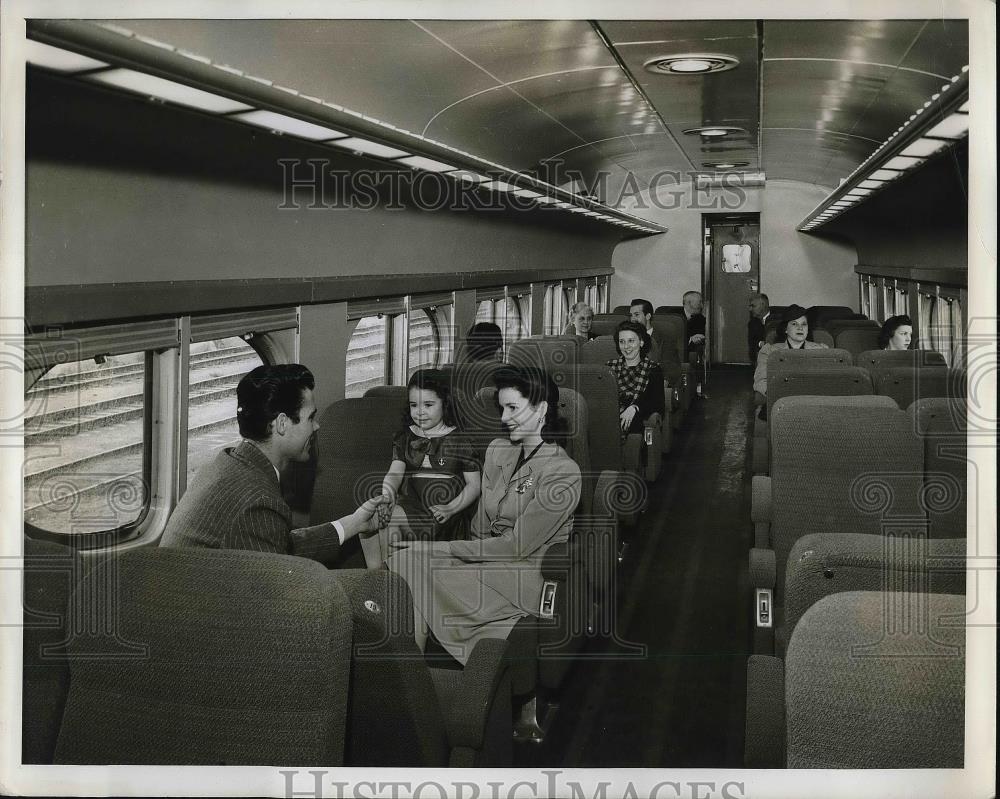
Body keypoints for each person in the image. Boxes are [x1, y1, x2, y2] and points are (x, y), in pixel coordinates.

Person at [386, 366, 581, 664]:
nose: (503, 418)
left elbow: (516, 547)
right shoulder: (498, 450)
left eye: (512, 408)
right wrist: (450, 552)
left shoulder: (563, 472)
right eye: (502, 408)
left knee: (416, 568)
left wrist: (440, 549)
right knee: (405, 560)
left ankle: (427, 668)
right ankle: (416, 673)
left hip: (523, 572)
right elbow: (479, 527)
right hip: (485, 556)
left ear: (541, 409)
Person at [160, 364, 386, 564]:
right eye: (310, 418)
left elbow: (280, 546)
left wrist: (353, 524)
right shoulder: (259, 500)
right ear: (281, 424)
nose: (316, 427)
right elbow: (277, 588)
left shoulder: (225, 463)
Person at [359, 369, 482, 568]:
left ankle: (389, 574)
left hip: (446, 514)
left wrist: (451, 508)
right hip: (412, 507)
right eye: (414, 405)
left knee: (391, 521)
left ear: (445, 403)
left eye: (428, 405)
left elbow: (474, 486)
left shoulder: (461, 440)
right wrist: (387, 495)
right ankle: (380, 574)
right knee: (381, 516)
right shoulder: (405, 437)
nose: (420, 411)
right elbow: (394, 473)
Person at [753, 304, 828, 402]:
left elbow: (826, 382)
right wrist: (779, 395)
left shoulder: (821, 351)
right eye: (794, 324)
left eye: (804, 324)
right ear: (785, 329)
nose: (800, 328)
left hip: (811, 401)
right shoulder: (769, 352)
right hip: (780, 400)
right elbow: (760, 381)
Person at [606, 321, 665, 434]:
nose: (626, 346)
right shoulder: (609, 368)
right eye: (622, 342)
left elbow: (658, 405)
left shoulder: (653, 369)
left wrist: (635, 408)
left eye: (631, 341)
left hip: (637, 424)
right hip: (609, 420)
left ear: (641, 342)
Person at [628, 297, 665, 364]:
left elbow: (670, 369)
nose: (632, 319)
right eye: (631, 315)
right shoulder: (625, 337)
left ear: (648, 316)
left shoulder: (664, 340)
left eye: (636, 315)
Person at [747, 293, 772, 364]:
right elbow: (752, 343)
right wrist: (761, 343)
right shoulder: (752, 323)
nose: (750, 309)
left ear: (763, 305)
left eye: (753, 306)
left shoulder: (778, 319)